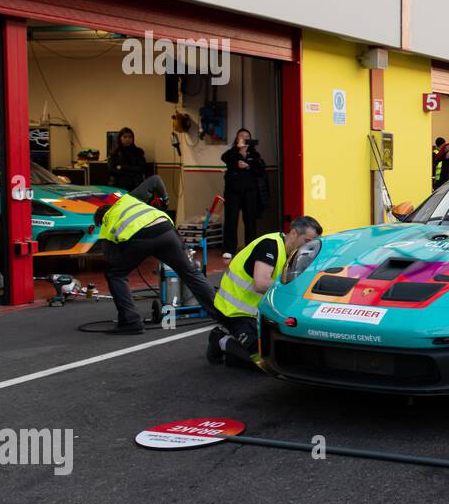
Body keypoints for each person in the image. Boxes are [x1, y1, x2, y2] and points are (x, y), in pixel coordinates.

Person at [92, 175, 218, 334]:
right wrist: (164, 200)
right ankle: (221, 313)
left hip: (140, 238)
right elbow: (156, 179)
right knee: (190, 272)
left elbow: (112, 260)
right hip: (166, 229)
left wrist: (127, 254)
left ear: (100, 218)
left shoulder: (106, 222)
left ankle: (131, 322)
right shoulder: (128, 199)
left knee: (115, 275)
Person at [208, 217, 323, 367]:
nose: (308, 248)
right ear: (293, 233)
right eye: (306, 241)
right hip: (234, 312)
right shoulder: (270, 245)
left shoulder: (296, 254)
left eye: (312, 244)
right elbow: (261, 284)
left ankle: (235, 350)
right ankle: (221, 339)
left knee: (281, 356)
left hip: (258, 314)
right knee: (264, 364)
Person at [220, 128, 265, 259]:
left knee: (250, 220)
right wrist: (238, 150)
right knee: (231, 220)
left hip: (250, 192)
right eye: (241, 136)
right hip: (232, 192)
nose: (244, 138)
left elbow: (260, 171)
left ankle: (250, 248)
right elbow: (224, 157)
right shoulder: (232, 153)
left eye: (247, 136)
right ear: (237, 138)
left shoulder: (254, 155)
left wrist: (248, 166)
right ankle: (228, 249)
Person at [107, 127, 147, 192]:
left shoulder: (139, 152)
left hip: (135, 185)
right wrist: (131, 172)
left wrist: (122, 167)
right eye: (125, 137)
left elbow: (142, 168)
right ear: (120, 138)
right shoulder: (114, 153)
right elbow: (112, 170)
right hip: (117, 186)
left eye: (130, 137)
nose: (128, 139)